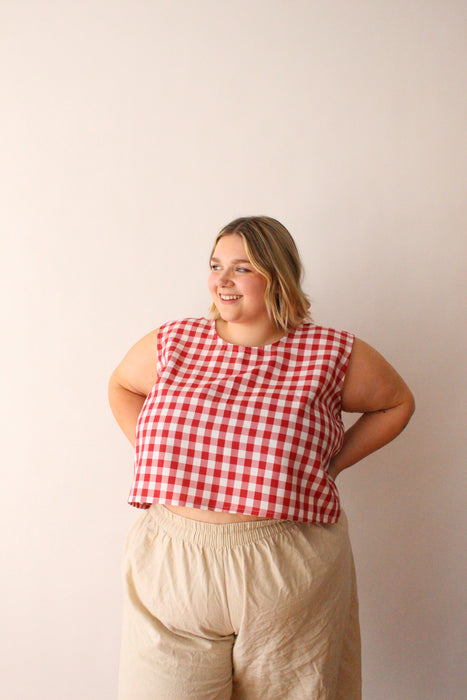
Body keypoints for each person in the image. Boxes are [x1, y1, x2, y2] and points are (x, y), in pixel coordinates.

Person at [108, 215, 415, 700]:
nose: (221, 281)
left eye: (242, 268)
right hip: (174, 561)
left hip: (285, 563)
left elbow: (397, 403)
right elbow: (122, 386)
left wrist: (330, 466)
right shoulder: (176, 342)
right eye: (215, 265)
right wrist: (154, 454)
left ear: (278, 275)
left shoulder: (328, 352)